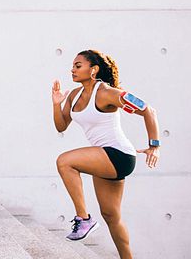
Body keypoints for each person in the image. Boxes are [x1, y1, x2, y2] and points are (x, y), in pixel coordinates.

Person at [51, 49, 160, 259]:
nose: (72, 70)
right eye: (72, 66)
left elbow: (148, 110)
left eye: (78, 65)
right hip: (103, 158)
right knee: (112, 216)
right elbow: (61, 126)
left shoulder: (106, 93)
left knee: (65, 162)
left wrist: (154, 146)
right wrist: (56, 104)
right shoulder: (74, 95)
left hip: (118, 154)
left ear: (94, 70)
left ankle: (83, 219)